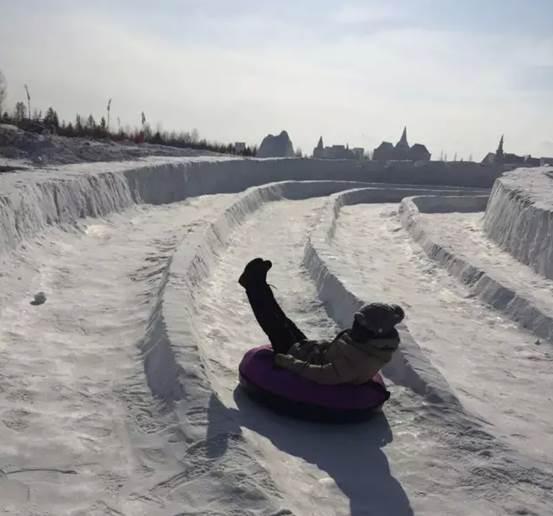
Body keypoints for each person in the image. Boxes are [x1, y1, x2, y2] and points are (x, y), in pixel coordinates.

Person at [238, 257, 404, 385]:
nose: (355, 328)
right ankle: (258, 283)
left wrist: (287, 361)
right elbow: (336, 351)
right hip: (312, 351)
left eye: (360, 325)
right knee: (284, 322)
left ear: (373, 331)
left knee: (273, 323)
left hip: (301, 358)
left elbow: (320, 374)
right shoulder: (368, 344)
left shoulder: (360, 361)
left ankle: (252, 285)